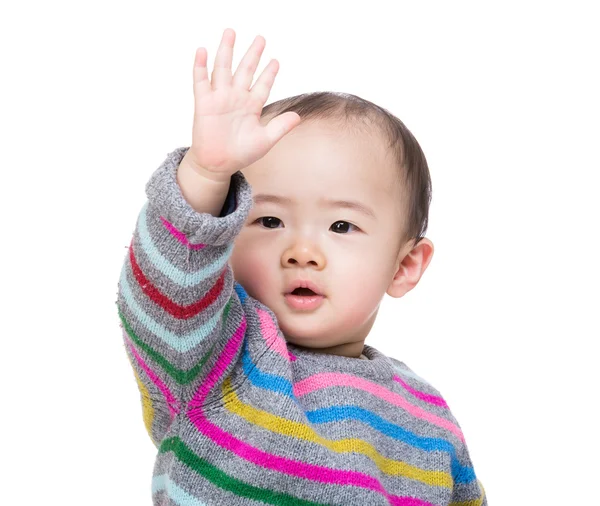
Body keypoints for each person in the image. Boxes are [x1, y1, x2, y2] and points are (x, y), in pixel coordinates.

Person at [116, 27, 487, 505]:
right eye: (269, 220)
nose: (302, 251)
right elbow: (170, 292)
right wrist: (206, 176)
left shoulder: (428, 416)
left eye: (341, 227)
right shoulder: (217, 359)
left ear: (404, 266)